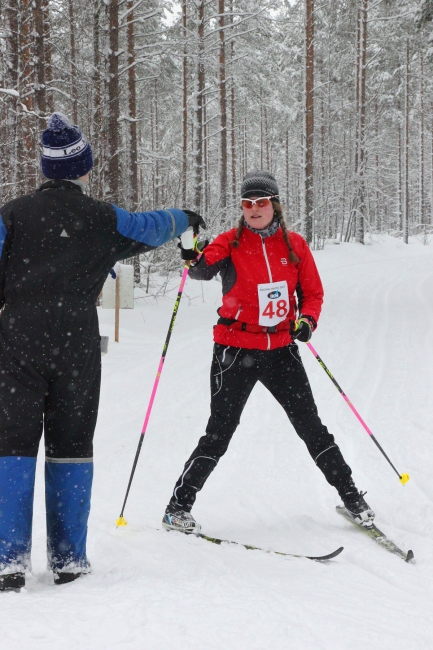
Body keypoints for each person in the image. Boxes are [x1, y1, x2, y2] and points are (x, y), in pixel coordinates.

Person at [0, 113, 204, 591]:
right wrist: (187, 219)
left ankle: (8, 560)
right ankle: (69, 559)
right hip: (74, 343)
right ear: (83, 169)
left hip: (17, 342)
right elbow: (154, 226)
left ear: (46, 170)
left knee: (10, 444)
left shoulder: (10, 215)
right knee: (72, 445)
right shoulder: (103, 219)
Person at [162, 170, 374, 534]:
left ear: (274, 205)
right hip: (234, 349)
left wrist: (306, 321)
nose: (255, 208)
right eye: (248, 203)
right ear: (242, 208)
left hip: (280, 350)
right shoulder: (230, 241)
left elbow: (313, 294)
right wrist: (188, 248)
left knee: (312, 427)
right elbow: (200, 270)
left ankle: (352, 497)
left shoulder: (295, 245)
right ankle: (177, 507)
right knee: (220, 432)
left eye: (262, 202)